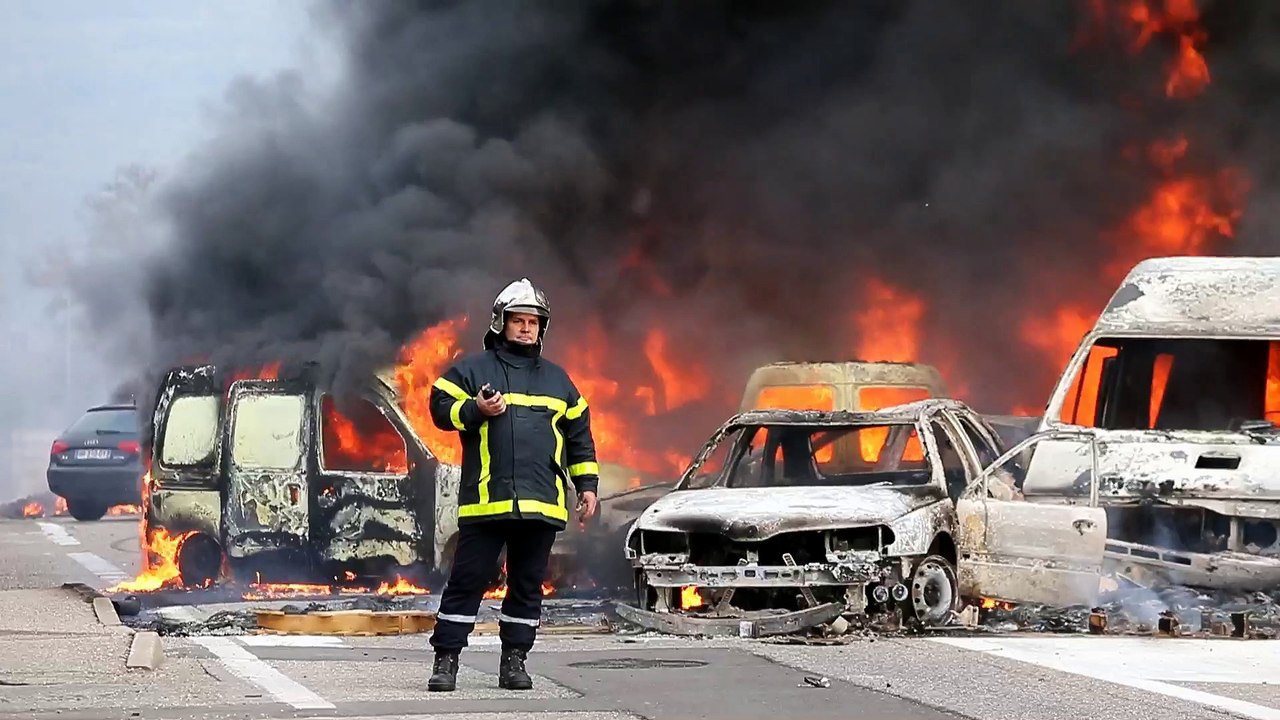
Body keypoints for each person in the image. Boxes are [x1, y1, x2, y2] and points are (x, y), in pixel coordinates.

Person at [425, 278, 600, 692]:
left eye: (533, 321)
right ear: (500, 323)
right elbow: (439, 407)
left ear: (542, 328)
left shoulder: (560, 381)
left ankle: (515, 662)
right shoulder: (473, 369)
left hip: (542, 504)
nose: (525, 328)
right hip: (487, 502)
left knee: (526, 587)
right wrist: (475, 409)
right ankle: (446, 660)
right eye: (517, 320)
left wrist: (587, 485)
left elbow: (579, 438)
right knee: (467, 582)